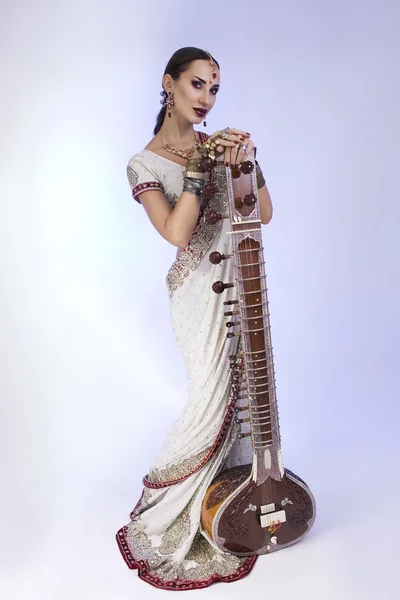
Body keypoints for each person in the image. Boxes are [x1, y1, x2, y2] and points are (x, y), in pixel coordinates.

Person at [116, 47, 273, 591]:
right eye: (197, 85)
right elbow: (178, 233)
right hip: (197, 293)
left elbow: (264, 213)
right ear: (169, 84)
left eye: (214, 89)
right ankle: (165, 512)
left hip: (242, 279)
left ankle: (225, 500)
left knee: (248, 396)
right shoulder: (146, 162)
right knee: (209, 396)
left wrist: (248, 162)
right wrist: (204, 170)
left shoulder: (218, 147)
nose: (206, 99)